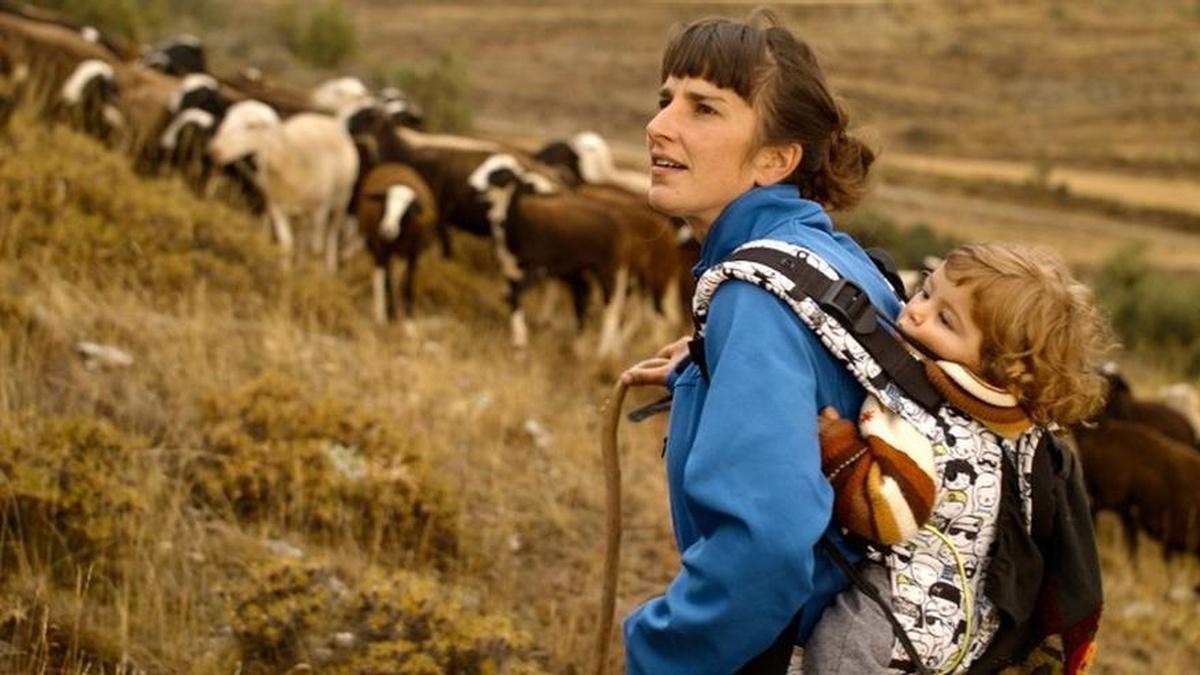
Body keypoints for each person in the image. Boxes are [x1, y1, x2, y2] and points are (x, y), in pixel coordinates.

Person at [619, 11, 903, 673]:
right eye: (666, 100)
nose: (659, 125)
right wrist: (704, 368)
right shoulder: (835, 257)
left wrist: (656, 650)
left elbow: (767, 548)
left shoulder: (755, 296)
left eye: (705, 109)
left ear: (776, 159)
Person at [804, 242, 1111, 674]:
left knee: (836, 652)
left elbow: (890, 512)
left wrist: (839, 449)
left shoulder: (924, 414)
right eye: (926, 292)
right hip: (966, 626)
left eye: (946, 320)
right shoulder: (1017, 425)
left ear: (999, 366)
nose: (915, 312)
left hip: (899, 614)